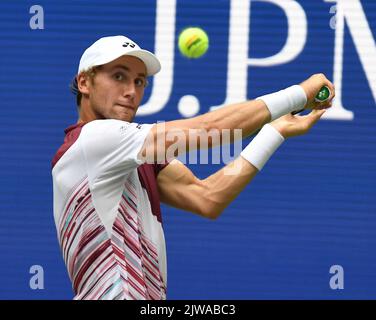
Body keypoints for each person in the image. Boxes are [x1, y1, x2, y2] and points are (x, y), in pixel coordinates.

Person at [51, 35, 335, 300]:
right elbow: (210, 129)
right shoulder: (93, 139)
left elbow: (207, 197)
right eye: (118, 76)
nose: (130, 91)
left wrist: (275, 131)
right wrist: (298, 94)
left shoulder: (126, 156)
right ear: (85, 83)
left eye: (139, 82)